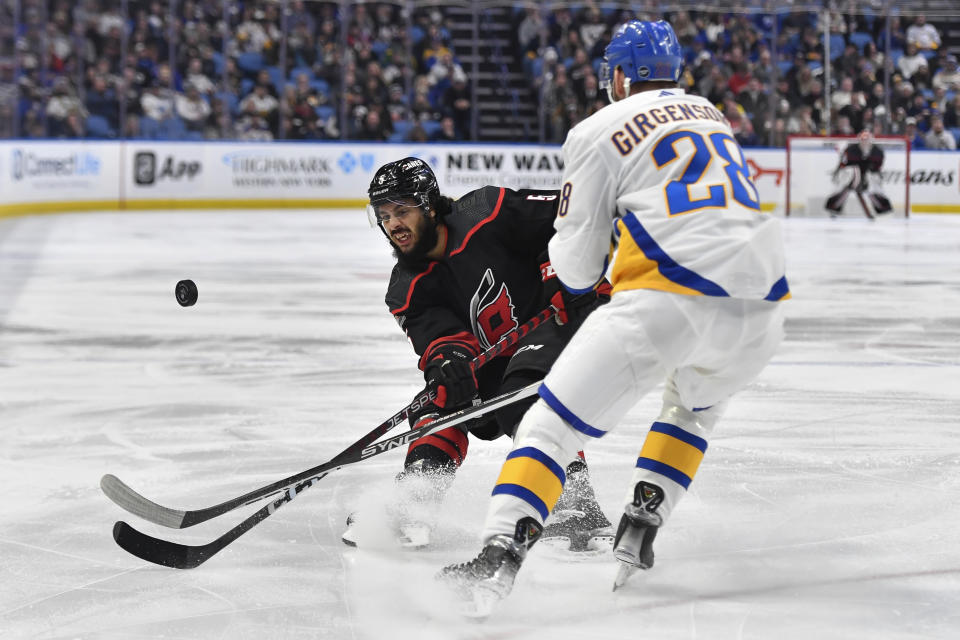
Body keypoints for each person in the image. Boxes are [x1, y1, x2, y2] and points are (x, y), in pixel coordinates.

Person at [439, 20, 790, 613]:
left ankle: (499, 552)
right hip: (764, 306)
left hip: (670, 296)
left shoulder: (597, 127)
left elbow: (576, 268)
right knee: (692, 410)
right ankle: (641, 523)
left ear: (620, 75)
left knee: (550, 429)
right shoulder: (710, 112)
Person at [342, 157, 613, 551]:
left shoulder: (487, 211)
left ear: (430, 206)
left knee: (522, 391)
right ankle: (417, 497)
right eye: (384, 215)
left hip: (567, 320)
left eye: (402, 211)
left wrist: (565, 277)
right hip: (504, 356)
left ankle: (576, 504)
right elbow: (439, 338)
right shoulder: (405, 288)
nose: (393, 224)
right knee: (439, 399)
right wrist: (448, 364)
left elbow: (567, 217)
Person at [825, 130, 893, 218]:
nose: (865, 142)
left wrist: (868, 177)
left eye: (867, 140)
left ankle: (882, 208)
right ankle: (834, 207)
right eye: (863, 140)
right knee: (848, 178)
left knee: (873, 184)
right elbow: (843, 165)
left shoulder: (878, 152)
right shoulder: (850, 150)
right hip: (852, 175)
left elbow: (877, 169)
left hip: (867, 174)